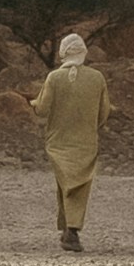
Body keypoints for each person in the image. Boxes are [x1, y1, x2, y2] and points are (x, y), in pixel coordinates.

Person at [33, 31, 109, 252]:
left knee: (64, 184)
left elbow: (43, 109)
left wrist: (34, 104)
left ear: (63, 53)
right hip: (86, 142)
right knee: (79, 186)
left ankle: (69, 230)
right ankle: (71, 230)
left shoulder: (54, 78)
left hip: (58, 142)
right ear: (84, 52)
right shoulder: (97, 78)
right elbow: (103, 113)